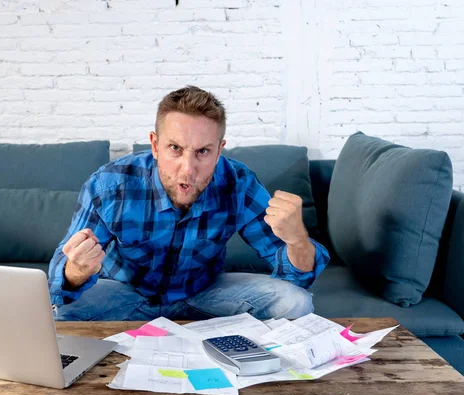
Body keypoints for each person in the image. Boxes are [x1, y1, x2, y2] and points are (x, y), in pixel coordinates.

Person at [48, 85, 329, 321]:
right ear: (155, 145)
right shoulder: (110, 185)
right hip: (124, 292)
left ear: (219, 150)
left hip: (203, 293)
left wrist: (298, 241)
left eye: (203, 152)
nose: (187, 169)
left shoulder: (238, 184)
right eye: (175, 149)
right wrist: (78, 270)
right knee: (56, 312)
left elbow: (297, 278)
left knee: (295, 302)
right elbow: (60, 281)